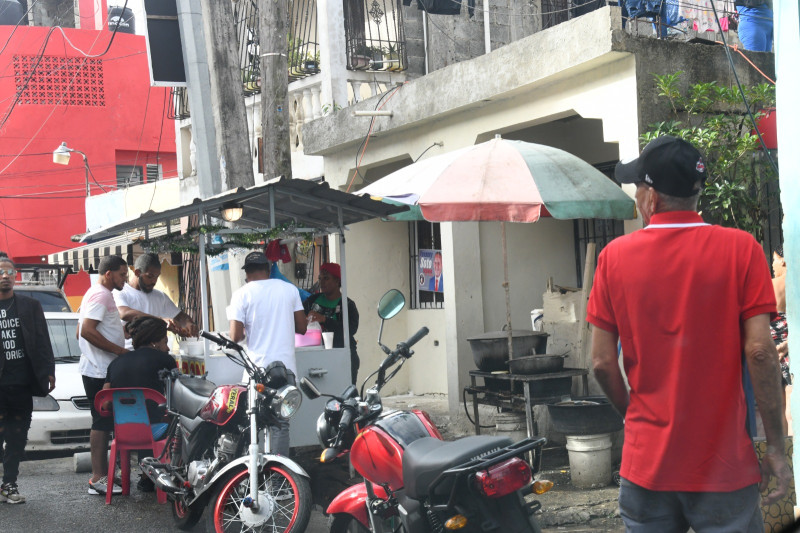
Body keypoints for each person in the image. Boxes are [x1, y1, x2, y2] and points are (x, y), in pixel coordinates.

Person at [587, 135, 791, 531]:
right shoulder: (741, 249)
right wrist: (778, 451)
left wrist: (634, 418)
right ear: (696, 194)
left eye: (637, 189)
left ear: (650, 198)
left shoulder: (614, 258)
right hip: (725, 468)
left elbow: (600, 362)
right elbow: (761, 353)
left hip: (647, 467)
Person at [227, 251, 306, 456]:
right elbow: (302, 327)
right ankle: (278, 480)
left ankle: (253, 478)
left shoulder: (241, 294)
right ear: (269, 269)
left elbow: (235, 336)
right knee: (280, 425)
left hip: (257, 372)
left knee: (253, 424)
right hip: (285, 371)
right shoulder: (290, 290)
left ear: (247, 273)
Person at [0, 255, 55, 504]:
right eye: (1, 272)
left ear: (15, 277)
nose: (5, 277)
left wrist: (48, 370)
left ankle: (9, 484)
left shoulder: (29, 306)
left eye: (10, 273)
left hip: (21, 384)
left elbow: (43, 340)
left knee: (17, 437)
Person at [104, 316, 177, 493]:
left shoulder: (115, 363)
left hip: (123, 432)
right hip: (153, 431)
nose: (167, 348)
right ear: (154, 342)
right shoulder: (165, 360)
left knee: (147, 418)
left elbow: (105, 402)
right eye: (165, 342)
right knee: (176, 421)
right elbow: (176, 397)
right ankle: (157, 476)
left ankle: (146, 475)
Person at [78, 255, 129, 496]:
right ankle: (98, 478)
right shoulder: (101, 294)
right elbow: (87, 331)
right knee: (102, 422)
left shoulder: (94, 292)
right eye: (122, 274)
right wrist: (120, 352)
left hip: (97, 366)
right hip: (100, 369)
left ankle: (107, 475)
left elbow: (80, 330)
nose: (125, 280)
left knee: (106, 421)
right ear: (108, 273)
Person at [113, 253, 198, 349]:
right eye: (150, 276)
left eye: (157, 277)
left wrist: (187, 324)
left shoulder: (160, 296)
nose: (154, 281)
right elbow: (124, 314)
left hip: (156, 354)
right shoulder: (121, 292)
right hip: (129, 353)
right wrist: (160, 320)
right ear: (137, 272)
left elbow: (180, 316)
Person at [304, 263, 360, 384]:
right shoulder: (312, 300)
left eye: (326, 278)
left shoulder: (347, 304)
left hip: (342, 356)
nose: (321, 282)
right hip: (317, 356)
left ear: (337, 281)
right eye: (320, 278)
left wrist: (324, 319)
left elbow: (351, 330)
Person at [771, 246, 791, 435]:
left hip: (772, 344)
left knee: (775, 403)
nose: (772, 265)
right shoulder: (796, 285)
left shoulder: (770, 285)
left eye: (774, 261)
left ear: (783, 260)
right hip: (790, 340)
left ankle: (782, 447)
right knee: (791, 396)